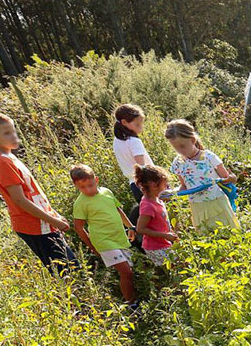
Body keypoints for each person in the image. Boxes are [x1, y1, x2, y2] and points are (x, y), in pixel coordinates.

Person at [0, 110, 78, 274]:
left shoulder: (7, 155)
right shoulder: (1, 161)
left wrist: (54, 214)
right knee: (67, 272)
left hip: (43, 222)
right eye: (7, 133)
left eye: (13, 131)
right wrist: (53, 220)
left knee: (71, 268)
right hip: (34, 225)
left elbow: (32, 193)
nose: (14, 136)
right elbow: (20, 200)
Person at [69, 164, 137, 307]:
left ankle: (132, 298)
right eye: (82, 187)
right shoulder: (80, 203)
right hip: (103, 241)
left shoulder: (107, 192)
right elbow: (79, 227)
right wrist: (92, 246)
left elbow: (118, 210)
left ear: (96, 180)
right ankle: (131, 304)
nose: (87, 190)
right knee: (126, 272)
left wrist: (130, 226)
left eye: (90, 185)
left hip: (119, 237)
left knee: (129, 272)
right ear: (76, 186)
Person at [165, 119, 239, 230]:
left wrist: (232, 178)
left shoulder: (208, 157)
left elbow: (226, 179)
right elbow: (184, 186)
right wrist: (171, 193)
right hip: (197, 206)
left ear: (192, 140)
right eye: (176, 148)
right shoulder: (178, 163)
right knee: (205, 235)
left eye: (182, 146)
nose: (180, 151)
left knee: (227, 233)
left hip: (217, 202)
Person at [133, 164, 179, 269]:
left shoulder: (157, 199)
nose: (166, 187)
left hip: (163, 243)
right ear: (154, 185)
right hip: (155, 247)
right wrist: (165, 235)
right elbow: (140, 229)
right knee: (176, 267)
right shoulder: (148, 205)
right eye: (164, 185)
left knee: (178, 264)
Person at [113, 104, 153, 205]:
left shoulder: (117, 141)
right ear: (124, 122)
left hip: (133, 184)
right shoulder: (134, 141)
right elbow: (141, 166)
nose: (141, 128)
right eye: (137, 125)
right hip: (147, 183)